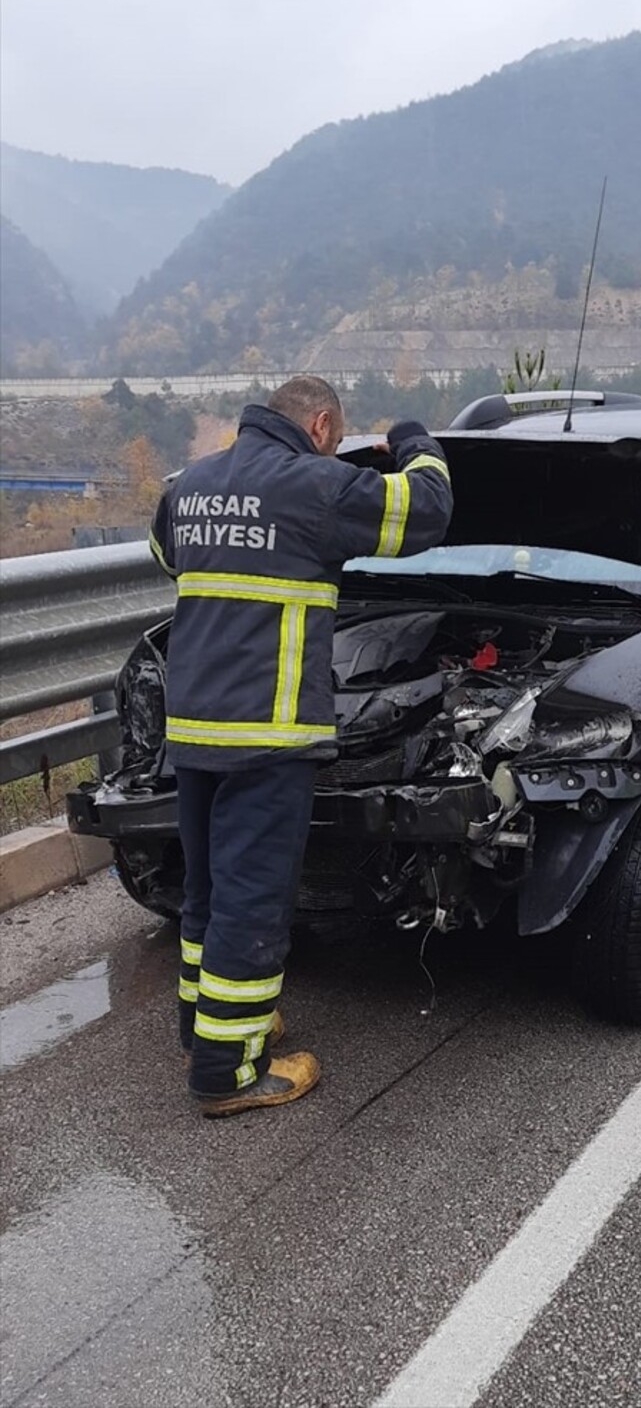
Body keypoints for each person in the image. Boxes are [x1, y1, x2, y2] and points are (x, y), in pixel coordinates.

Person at [149, 376, 454, 1115]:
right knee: (253, 900)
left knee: (209, 892)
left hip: (194, 729)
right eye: (335, 435)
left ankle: (206, 1026)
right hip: (268, 732)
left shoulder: (191, 484)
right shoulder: (314, 486)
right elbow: (425, 512)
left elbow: (167, 555)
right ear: (321, 425)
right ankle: (230, 1074)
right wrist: (412, 440)